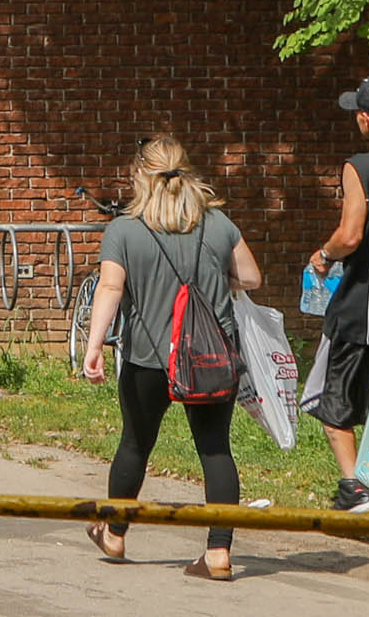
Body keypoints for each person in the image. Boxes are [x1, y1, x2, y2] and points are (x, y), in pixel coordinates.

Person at [82, 135, 264, 579]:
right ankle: (219, 553)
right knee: (216, 450)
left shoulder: (124, 230)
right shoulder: (218, 225)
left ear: (139, 175)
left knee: (135, 443)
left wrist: (93, 347)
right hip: (210, 358)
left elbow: (110, 288)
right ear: (187, 174)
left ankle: (116, 534)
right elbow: (252, 278)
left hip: (149, 358)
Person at [303, 78, 369, 513]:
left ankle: (354, 487)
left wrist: (323, 254)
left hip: (362, 310)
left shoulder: (360, 168)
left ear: (365, 118)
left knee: (335, 401)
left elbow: (350, 235)